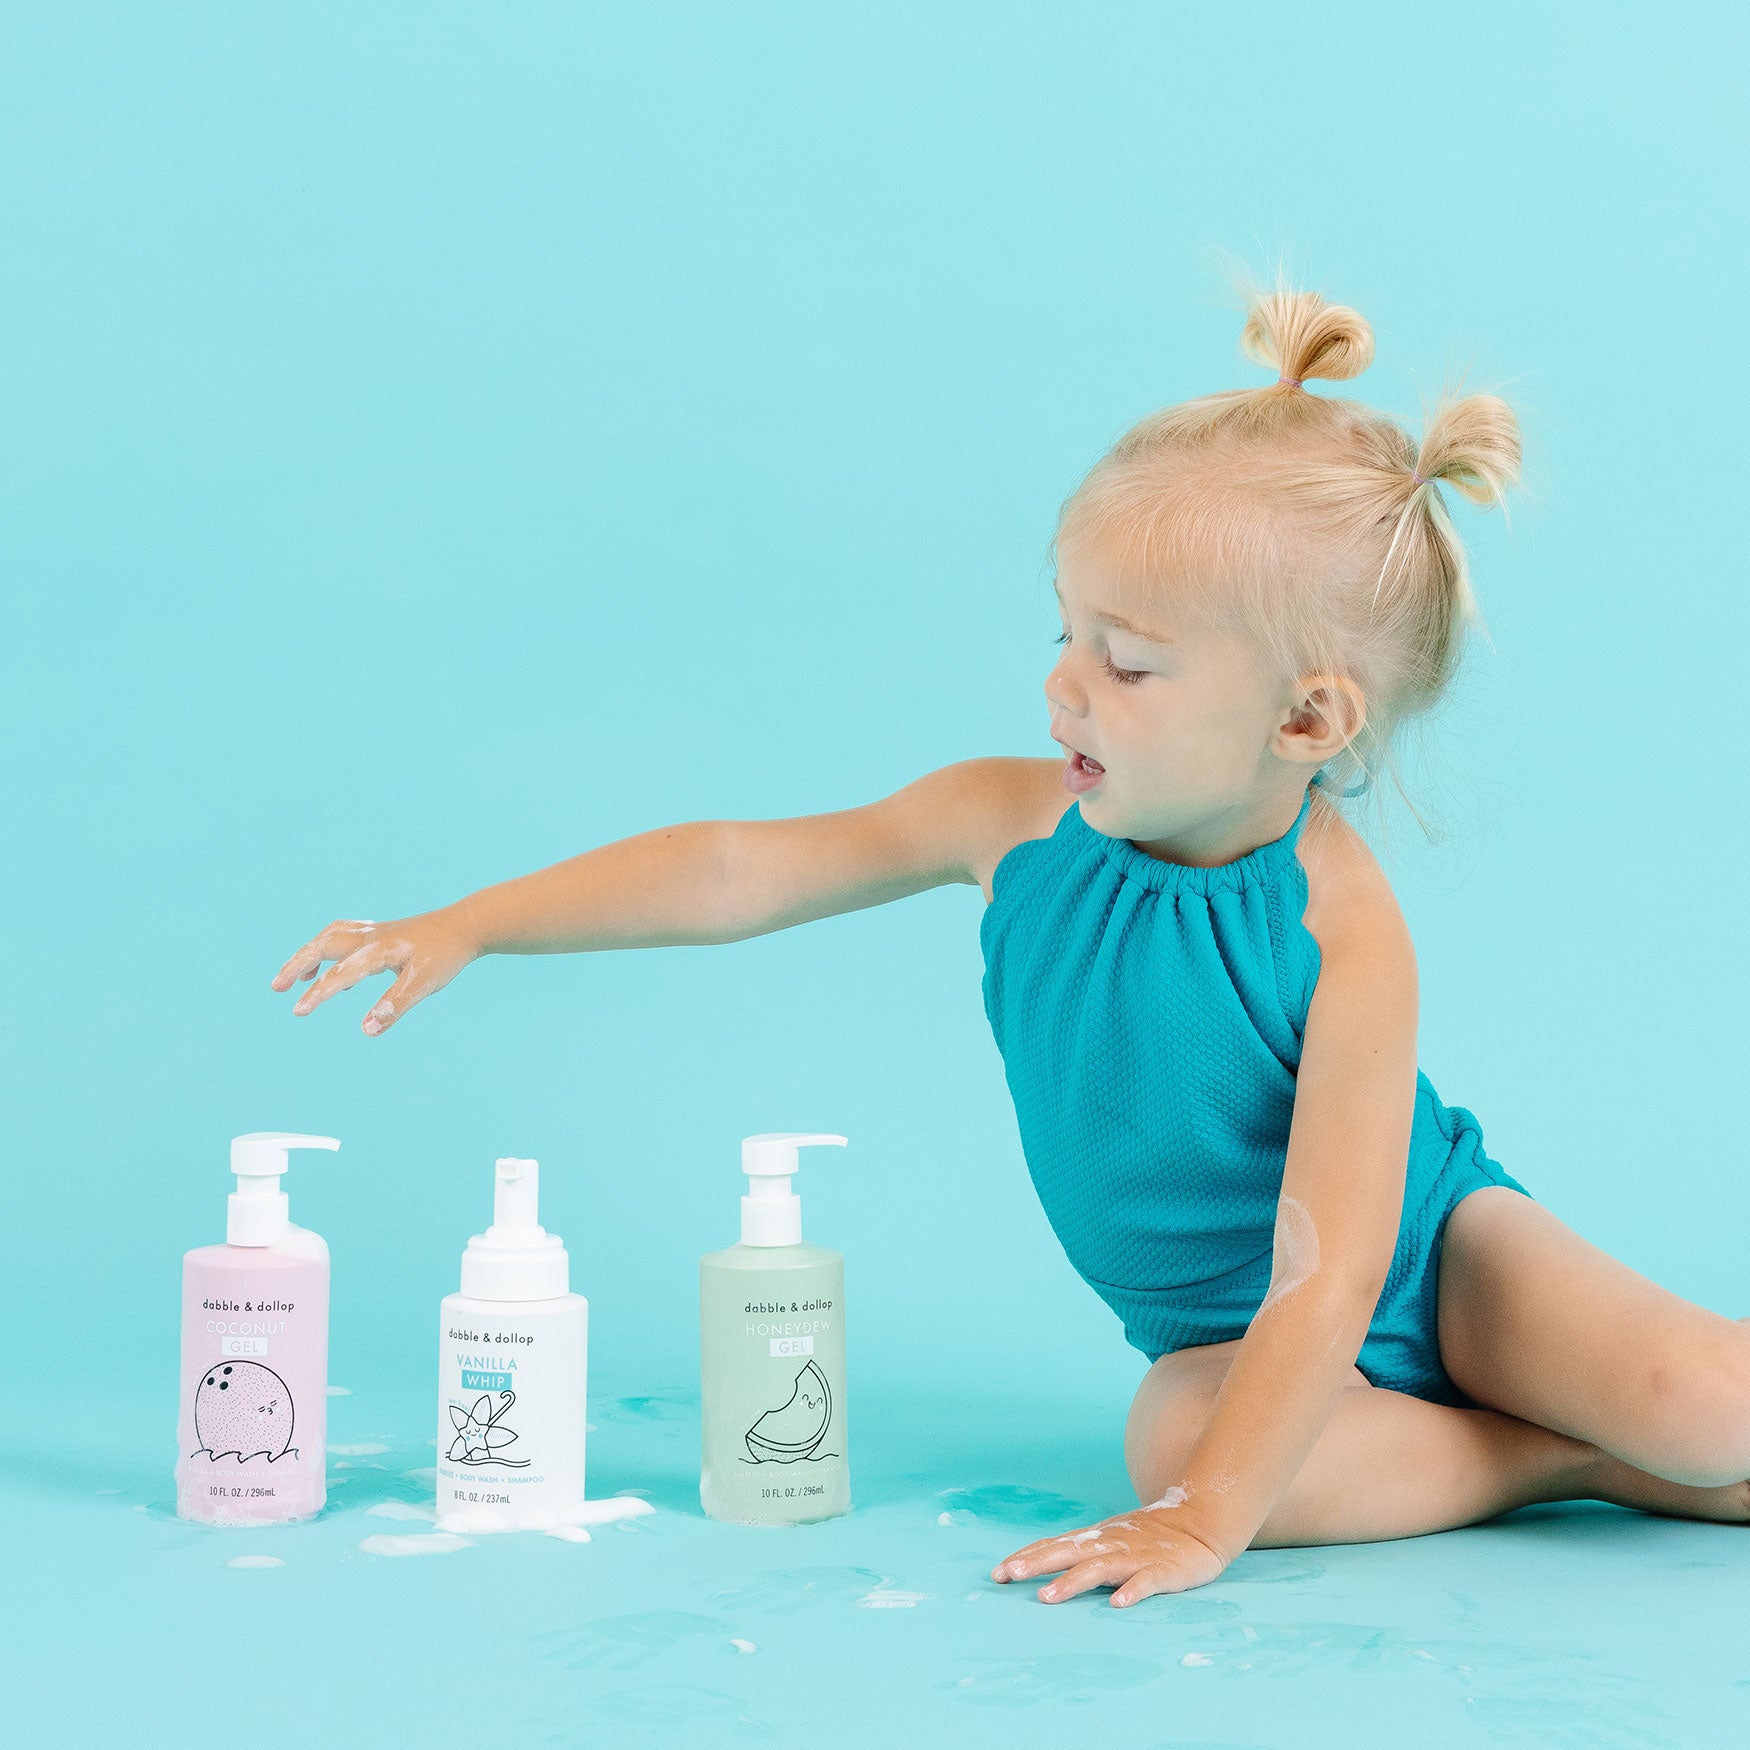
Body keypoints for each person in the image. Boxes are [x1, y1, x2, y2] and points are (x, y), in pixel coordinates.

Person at [272, 280, 1750, 1608]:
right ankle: (1569, 1462)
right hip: (1220, 1340)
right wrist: (473, 922)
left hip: (1433, 1256)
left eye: (1125, 662)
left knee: (1701, 1397)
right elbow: (741, 868)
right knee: (1181, 1445)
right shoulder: (1013, 825)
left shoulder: (1341, 928)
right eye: (1062, 635)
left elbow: (1332, 1254)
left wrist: (1201, 1529)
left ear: (1303, 721)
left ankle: (1639, 1437)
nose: (1062, 690)